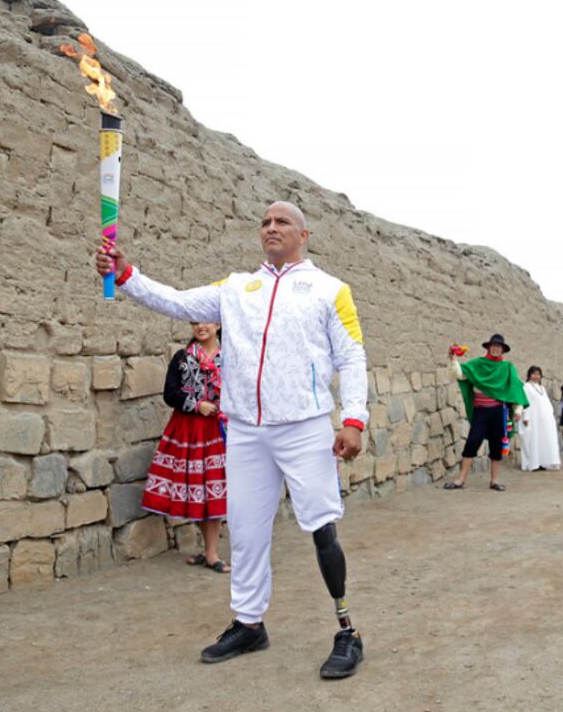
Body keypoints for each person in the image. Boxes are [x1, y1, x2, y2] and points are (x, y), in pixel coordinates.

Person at [95, 200, 368, 678]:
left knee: (322, 525)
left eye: (282, 221)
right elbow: (177, 302)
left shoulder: (329, 290)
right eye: (264, 221)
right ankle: (249, 623)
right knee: (244, 530)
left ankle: (347, 630)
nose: (271, 227)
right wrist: (127, 274)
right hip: (244, 428)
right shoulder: (237, 288)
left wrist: (355, 419)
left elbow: (352, 357)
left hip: (303, 425)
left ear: (304, 236)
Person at [142, 321, 231, 573]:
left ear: (217, 324)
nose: (200, 327)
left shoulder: (230, 358)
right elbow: (169, 393)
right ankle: (209, 550)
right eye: (195, 323)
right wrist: (196, 404)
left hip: (218, 430)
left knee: (212, 487)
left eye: (206, 322)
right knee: (198, 489)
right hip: (187, 430)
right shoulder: (182, 358)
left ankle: (212, 553)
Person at [445, 334, 528, 490]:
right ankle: (461, 479)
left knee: (496, 446)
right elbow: (460, 374)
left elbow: (516, 388)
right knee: (472, 442)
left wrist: (518, 410)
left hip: (498, 412)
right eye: (493, 345)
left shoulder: (508, 367)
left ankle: (494, 480)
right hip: (480, 411)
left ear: (503, 349)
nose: (496, 348)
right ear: (489, 347)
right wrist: (453, 359)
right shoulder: (478, 364)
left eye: (499, 346)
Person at [519, 366, 561, 472]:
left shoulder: (541, 388)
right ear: (529, 375)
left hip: (543, 419)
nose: (536, 376)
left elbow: (546, 403)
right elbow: (525, 402)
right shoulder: (526, 387)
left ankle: (541, 462)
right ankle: (532, 464)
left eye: (538, 374)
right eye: (534, 374)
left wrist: (550, 415)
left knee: (543, 440)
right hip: (532, 418)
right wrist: (525, 416)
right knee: (532, 440)